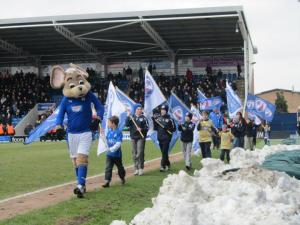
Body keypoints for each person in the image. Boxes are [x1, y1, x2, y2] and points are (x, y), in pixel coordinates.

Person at [102, 116, 126, 188]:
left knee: (120, 168)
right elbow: (105, 141)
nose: (108, 124)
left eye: (109, 123)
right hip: (109, 154)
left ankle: (122, 177)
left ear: (113, 123)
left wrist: (111, 149)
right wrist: (102, 135)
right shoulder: (109, 131)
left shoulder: (118, 132)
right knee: (108, 167)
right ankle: (107, 181)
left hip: (117, 155)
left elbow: (118, 144)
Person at [125, 103, 149, 176]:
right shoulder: (131, 117)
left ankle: (140, 168)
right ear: (135, 110)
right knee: (134, 153)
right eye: (138, 109)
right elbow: (127, 124)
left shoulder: (144, 118)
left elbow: (147, 127)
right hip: (133, 137)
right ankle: (136, 168)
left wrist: (141, 129)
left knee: (140, 152)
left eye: (140, 109)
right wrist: (128, 117)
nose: (139, 110)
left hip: (141, 137)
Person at [152, 105, 176, 172]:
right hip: (160, 138)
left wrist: (167, 128)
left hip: (167, 138)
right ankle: (168, 164)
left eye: (164, 110)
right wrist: (154, 121)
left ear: (166, 111)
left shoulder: (170, 119)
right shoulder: (158, 119)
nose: (162, 111)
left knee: (164, 152)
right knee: (164, 153)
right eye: (161, 110)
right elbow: (155, 128)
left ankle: (162, 166)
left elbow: (174, 129)